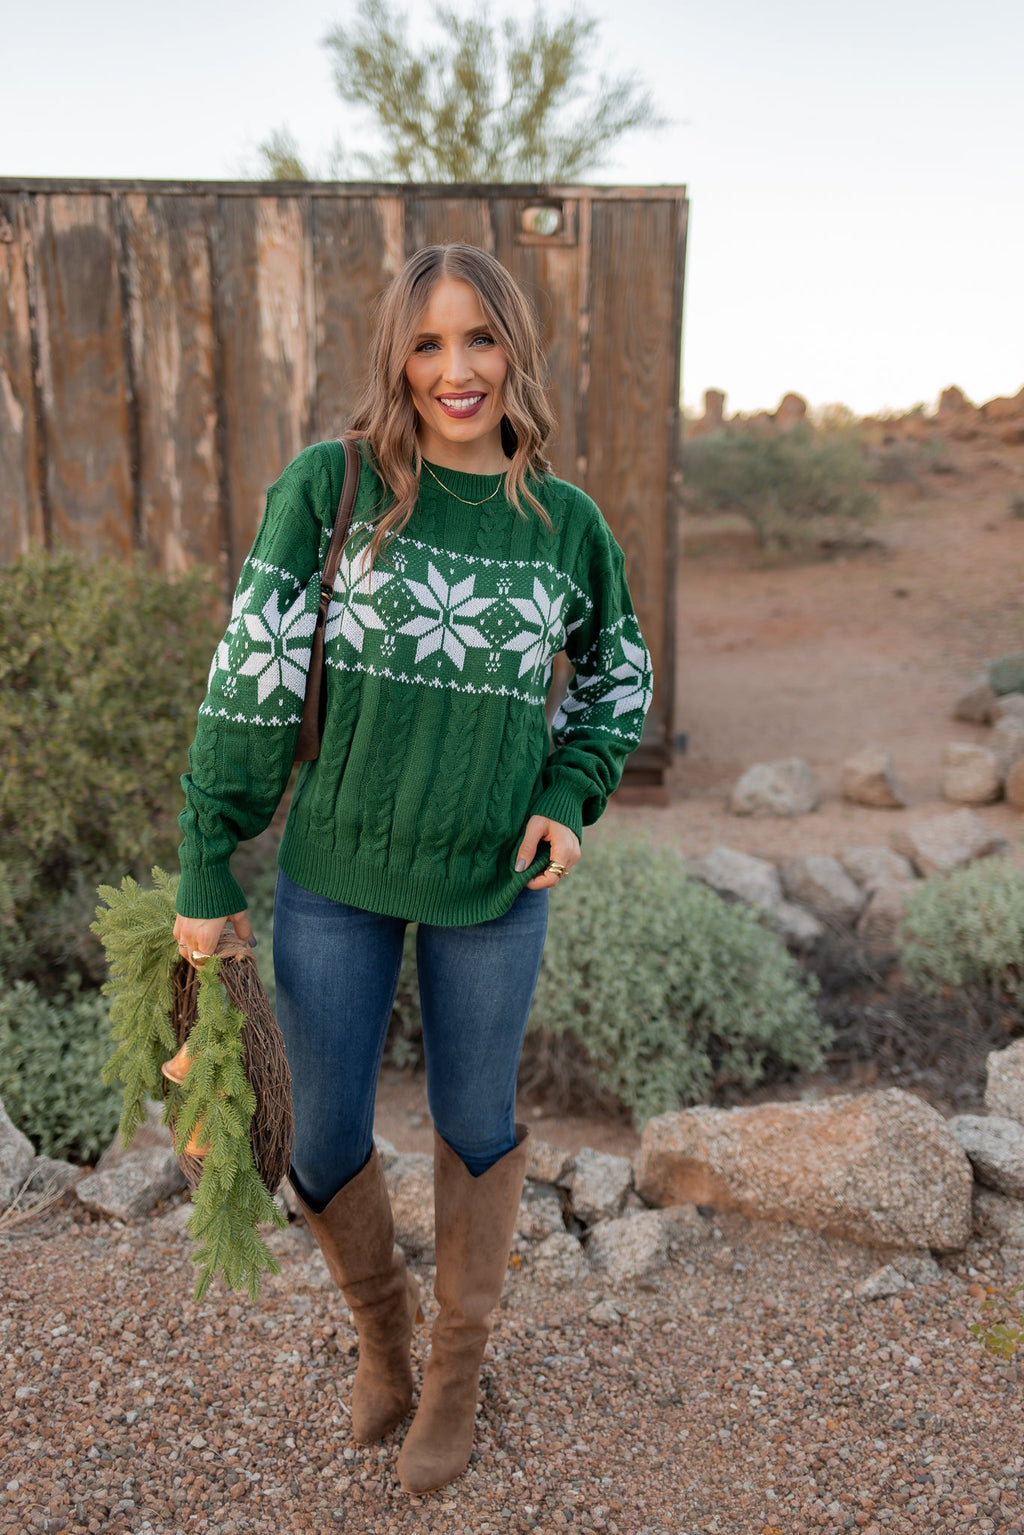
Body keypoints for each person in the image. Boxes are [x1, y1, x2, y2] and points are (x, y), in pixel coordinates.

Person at [172, 243, 652, 1495]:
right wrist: (205, 850)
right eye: (429, 342)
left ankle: (454, 1369)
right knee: (321, 1133)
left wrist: (567, 792)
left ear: (513, 354)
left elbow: (619, 679)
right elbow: (255, 672)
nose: (455, 369)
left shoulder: (565, 524)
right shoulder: (331, 488)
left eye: (480, 340)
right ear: (398, 353)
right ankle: (380, 1332)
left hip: (494, 887)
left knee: (475, 1125)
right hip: (335, 869)